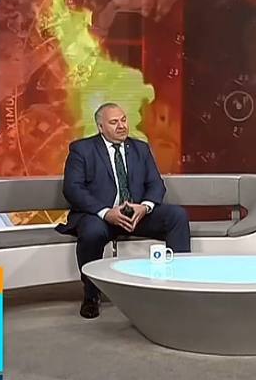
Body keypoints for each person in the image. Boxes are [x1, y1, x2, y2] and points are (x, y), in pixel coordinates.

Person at [57, 102, 190, 319]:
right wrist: (106, 212)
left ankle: (179, 287)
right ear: (101, 127)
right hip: (100, 216)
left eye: (123, 120)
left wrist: (144, 207)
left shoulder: (140, 148)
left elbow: (156, 185)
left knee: (177, 216)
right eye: (114, 122)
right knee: (92, 232)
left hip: (135, 215)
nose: (121, 126)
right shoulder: (82, 150)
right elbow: (73, 189)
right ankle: (91, 294)